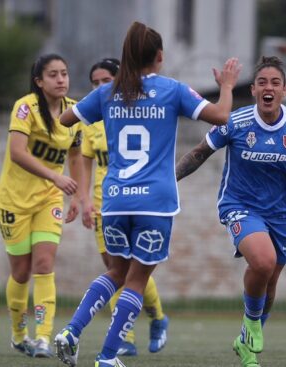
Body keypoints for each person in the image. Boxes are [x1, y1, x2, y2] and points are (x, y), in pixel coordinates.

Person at [53, 21, 241, 367]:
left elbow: (66, 119)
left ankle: (70, 332)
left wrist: (100, 103)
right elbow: (222, 116)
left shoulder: (108, 92)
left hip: (115, 200)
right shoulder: (172, 90)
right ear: (159, 56)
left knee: (115, 274)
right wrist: (226, 86)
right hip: (155, 202)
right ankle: (108, 357)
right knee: (137, 280)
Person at [175, 56, 286, 367]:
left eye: (275, 83)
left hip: (283, 212)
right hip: (240, 204)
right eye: (262, 82)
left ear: (284, 90)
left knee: (271, 279)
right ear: (253, 90)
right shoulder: (235, 122)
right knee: (263, 261)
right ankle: (251, 325)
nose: (269, 87)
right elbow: (199, 153)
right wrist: (170, 180)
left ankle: (247, 343)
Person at [77, 58, 169, 356]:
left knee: (133, 272)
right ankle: (125, 336)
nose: (100, 87)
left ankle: (156, 317)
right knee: (116, 269)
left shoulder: (136, 114)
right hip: (107, 206)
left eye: (105, 81)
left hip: (140, 202)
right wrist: (85, 201)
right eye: (95, 83)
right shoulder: (92, 125)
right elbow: (84, 164)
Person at [0, 53, 82, 359]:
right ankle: (19, 336)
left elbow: (76, 154)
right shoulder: (25, 107)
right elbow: (17, 152)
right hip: (14, 200)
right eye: (54, 75)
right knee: (20, 272)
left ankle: (44, 337)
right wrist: (54, 177)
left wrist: (80, 196)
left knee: (44, 265)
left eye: (65, 73)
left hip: (49, 200)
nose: (61, 80)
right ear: (39, 82)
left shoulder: (74, 111)